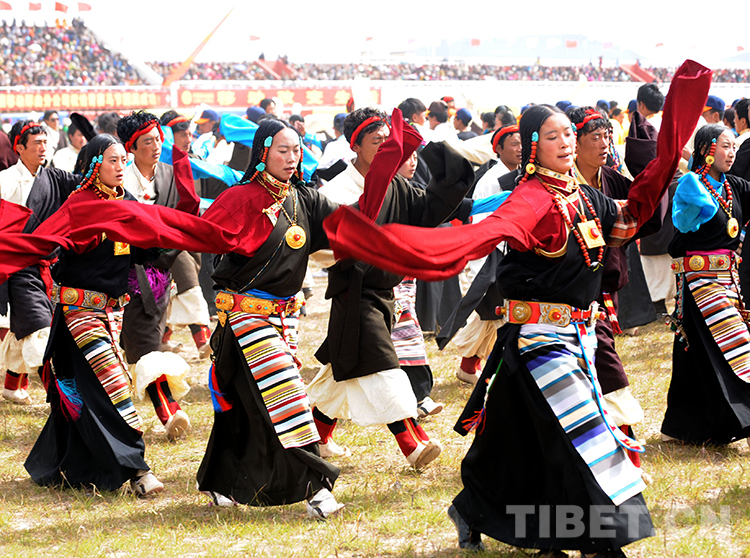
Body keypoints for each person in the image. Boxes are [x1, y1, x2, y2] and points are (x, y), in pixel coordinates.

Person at [320, 60, 710, 555]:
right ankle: (601, 540)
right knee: (584, 438)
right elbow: (485, 233)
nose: (566, 142)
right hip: (541, 342)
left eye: (569, 134)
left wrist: (668, 152)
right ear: (532, 145)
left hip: (579, 341)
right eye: (553, 136)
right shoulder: (530, 199)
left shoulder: (585, 196)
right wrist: (407, 246)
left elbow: (629, 221)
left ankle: (474, 510)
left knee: (515, 446)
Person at [196, 117, 386, 514]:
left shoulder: (305, 199)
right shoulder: (239, 198)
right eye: (283, 150)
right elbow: (200, 234)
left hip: (286, 320)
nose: (291, 157)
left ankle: (222, 480)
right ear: (263, 153)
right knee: (289, 398)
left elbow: (348, 221)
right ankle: (317, 492)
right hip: (246, 318)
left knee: (248, 403)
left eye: (296, 150)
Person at [307, 107, 472, 468]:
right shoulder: (336, 191)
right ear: (356, 146)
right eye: (375, 141)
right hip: (355, 293)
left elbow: (426, 211)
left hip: (388, 293)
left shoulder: (397, 185)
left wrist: (448, 172)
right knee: (383, 365)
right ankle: (413, 443)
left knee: (343, 366)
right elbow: (323, 248)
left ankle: (316, 436)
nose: (384, 148)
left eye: (388, 140)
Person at [24, 134, 164, 496]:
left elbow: (141, 252)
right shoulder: (78, 205)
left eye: (123, 161)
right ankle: (139, 470)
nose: (120, 168)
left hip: (112, 314)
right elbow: (48, 247)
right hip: (78, 313)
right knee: (113, 385)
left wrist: (156, 230)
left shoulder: (126, 201)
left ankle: (71, 464)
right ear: (94, 166)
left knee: (89, 391)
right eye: (112, 161)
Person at [662, 123, 750, 445]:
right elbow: (685, 224)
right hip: (701, 282)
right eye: (726, 146)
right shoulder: (690, 184)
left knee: (693, 353)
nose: (732, 153)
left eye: (734, 147)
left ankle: (684, 427)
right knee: (738, 345)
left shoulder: (734, 186)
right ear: (705, 149)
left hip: (729, 281)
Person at [118, 111, 192, 441]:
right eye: (148, 141)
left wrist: (166, 256)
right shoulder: (119, 176)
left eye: (159, 140)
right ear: (131, 147)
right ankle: (169, 413)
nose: (157, 146)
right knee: (145, 344)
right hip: (124, 273)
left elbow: (180, 220)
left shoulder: (169, 174)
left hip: (161, 271)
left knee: (142, 343)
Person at [0, 121, 78, 405]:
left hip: (49, 266)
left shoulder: (55, 177)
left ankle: (12, 385)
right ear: (19, 148)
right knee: (39, 328)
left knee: (35, 325)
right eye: (37, 143)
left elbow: (85, 185)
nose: (44, 148)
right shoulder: (5, 180)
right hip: (17, 267)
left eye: (46, 142)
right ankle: (61, 399)